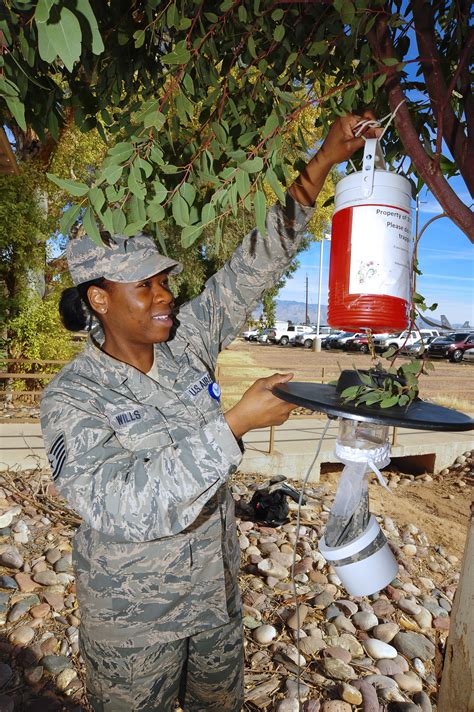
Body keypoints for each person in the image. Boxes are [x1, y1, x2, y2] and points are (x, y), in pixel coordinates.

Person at [40, 112, 380, 712]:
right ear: (99, 298)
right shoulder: (72, 398)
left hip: (214, 601)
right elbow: (118, 504)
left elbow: (252, 266)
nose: (166, 294)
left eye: (165, 280)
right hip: (134, 626)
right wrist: (235, 425)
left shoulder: (185, 343)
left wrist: (323, 159)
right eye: (145, 286)